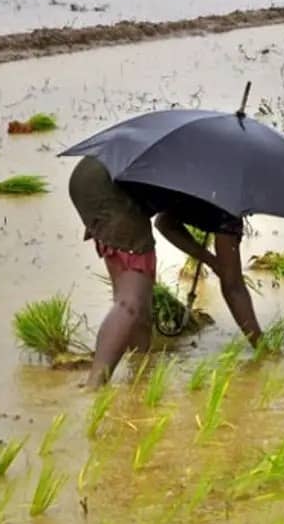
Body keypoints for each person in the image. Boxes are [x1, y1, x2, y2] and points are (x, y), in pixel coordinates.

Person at [127, 185, 263, 347]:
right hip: (222, 206)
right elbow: (234, 286)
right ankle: (260, 346)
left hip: (204, 197)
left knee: (231, 281)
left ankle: (139, 350)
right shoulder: (229, 210)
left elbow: (163, 222)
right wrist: (213, 262)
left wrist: (211, 261)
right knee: (233, 284)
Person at [68, 156, 156, 388]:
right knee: (130, 303)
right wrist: (211, 260)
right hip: (108, 190)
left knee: (138, 301)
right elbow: (166, 223)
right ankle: (94, 385)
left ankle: (140, 372)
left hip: (89, 176)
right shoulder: (210, 177)